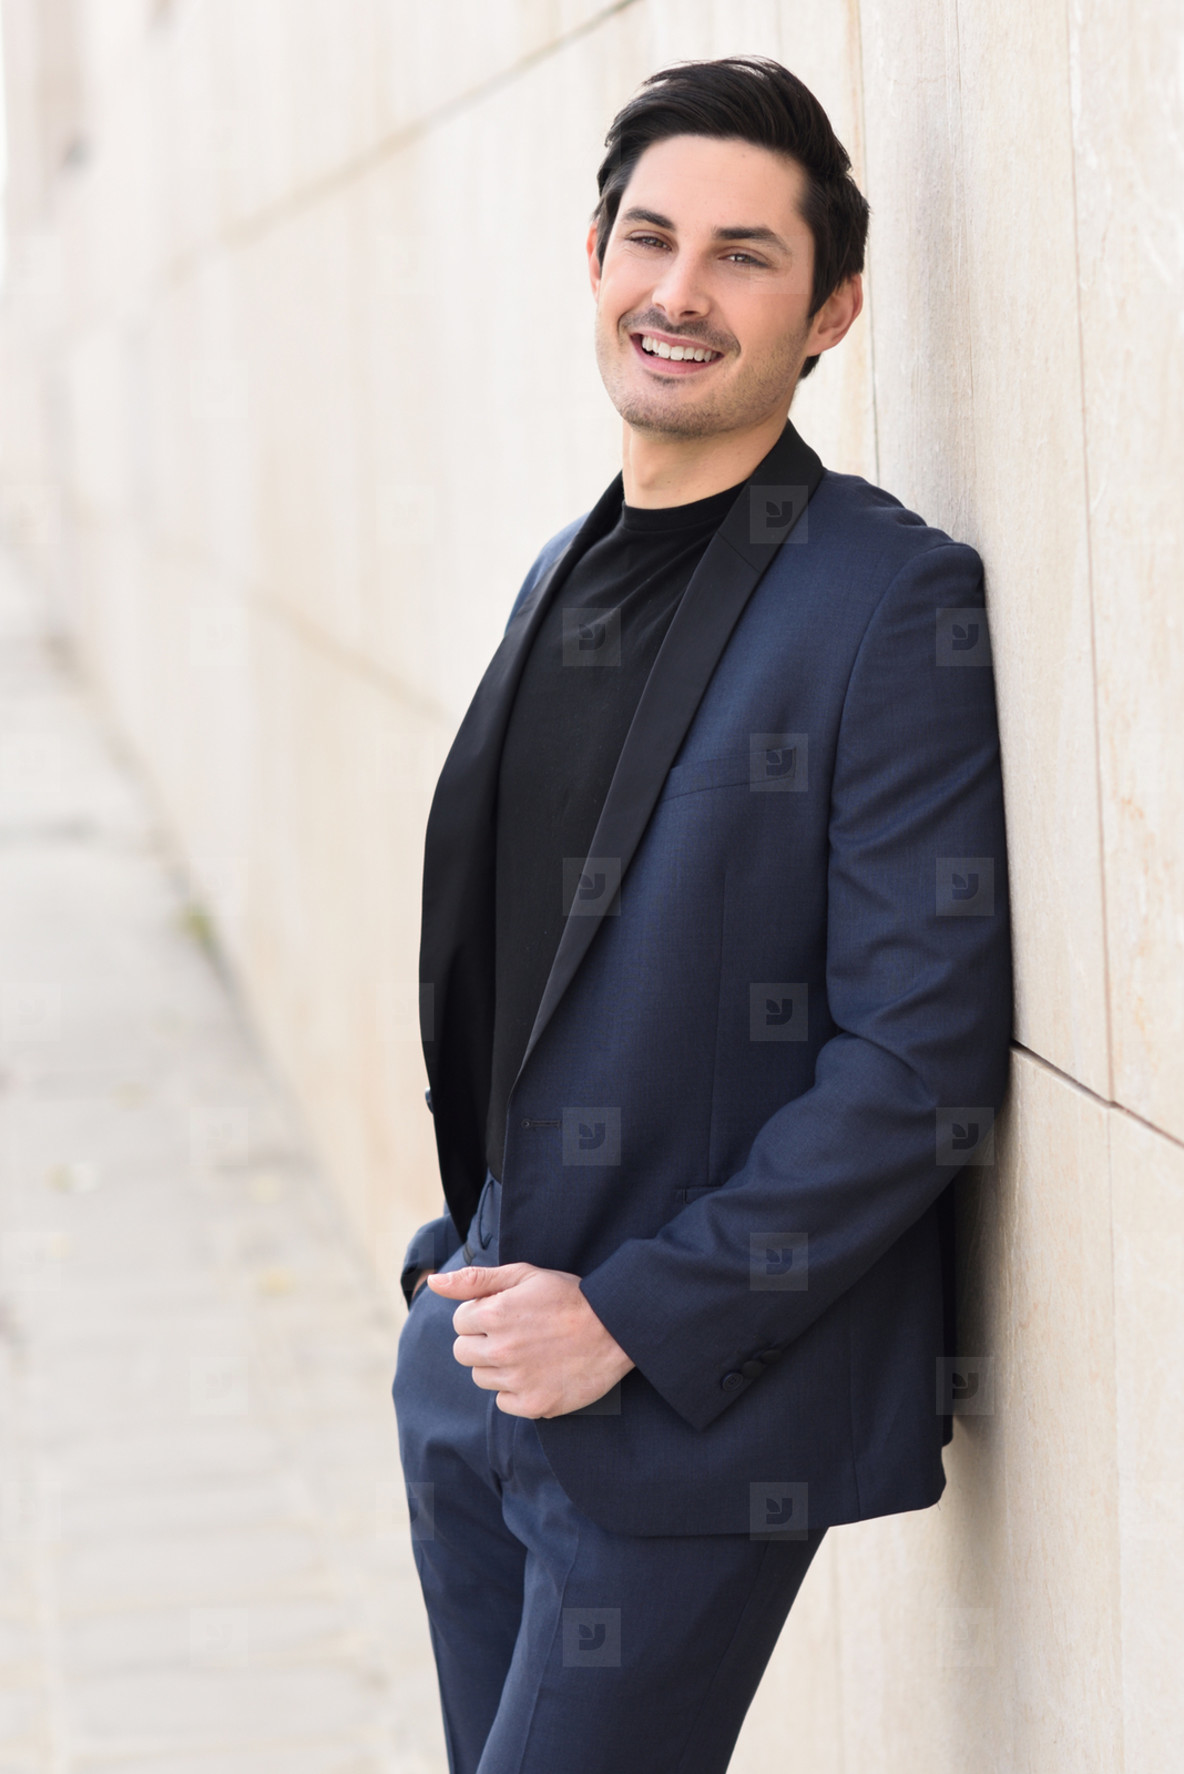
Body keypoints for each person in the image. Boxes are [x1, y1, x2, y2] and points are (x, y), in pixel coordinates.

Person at [391, 54, 1011, 1774]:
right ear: (593, 254)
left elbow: (924, 1057)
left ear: (833, 312)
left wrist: (635, 1316)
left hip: (679, 1408)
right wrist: (458, 1274)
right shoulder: (561, 567)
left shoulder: (887, 601)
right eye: (650, 238)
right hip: (477, 1368)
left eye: (745, 254)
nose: (679, 292)